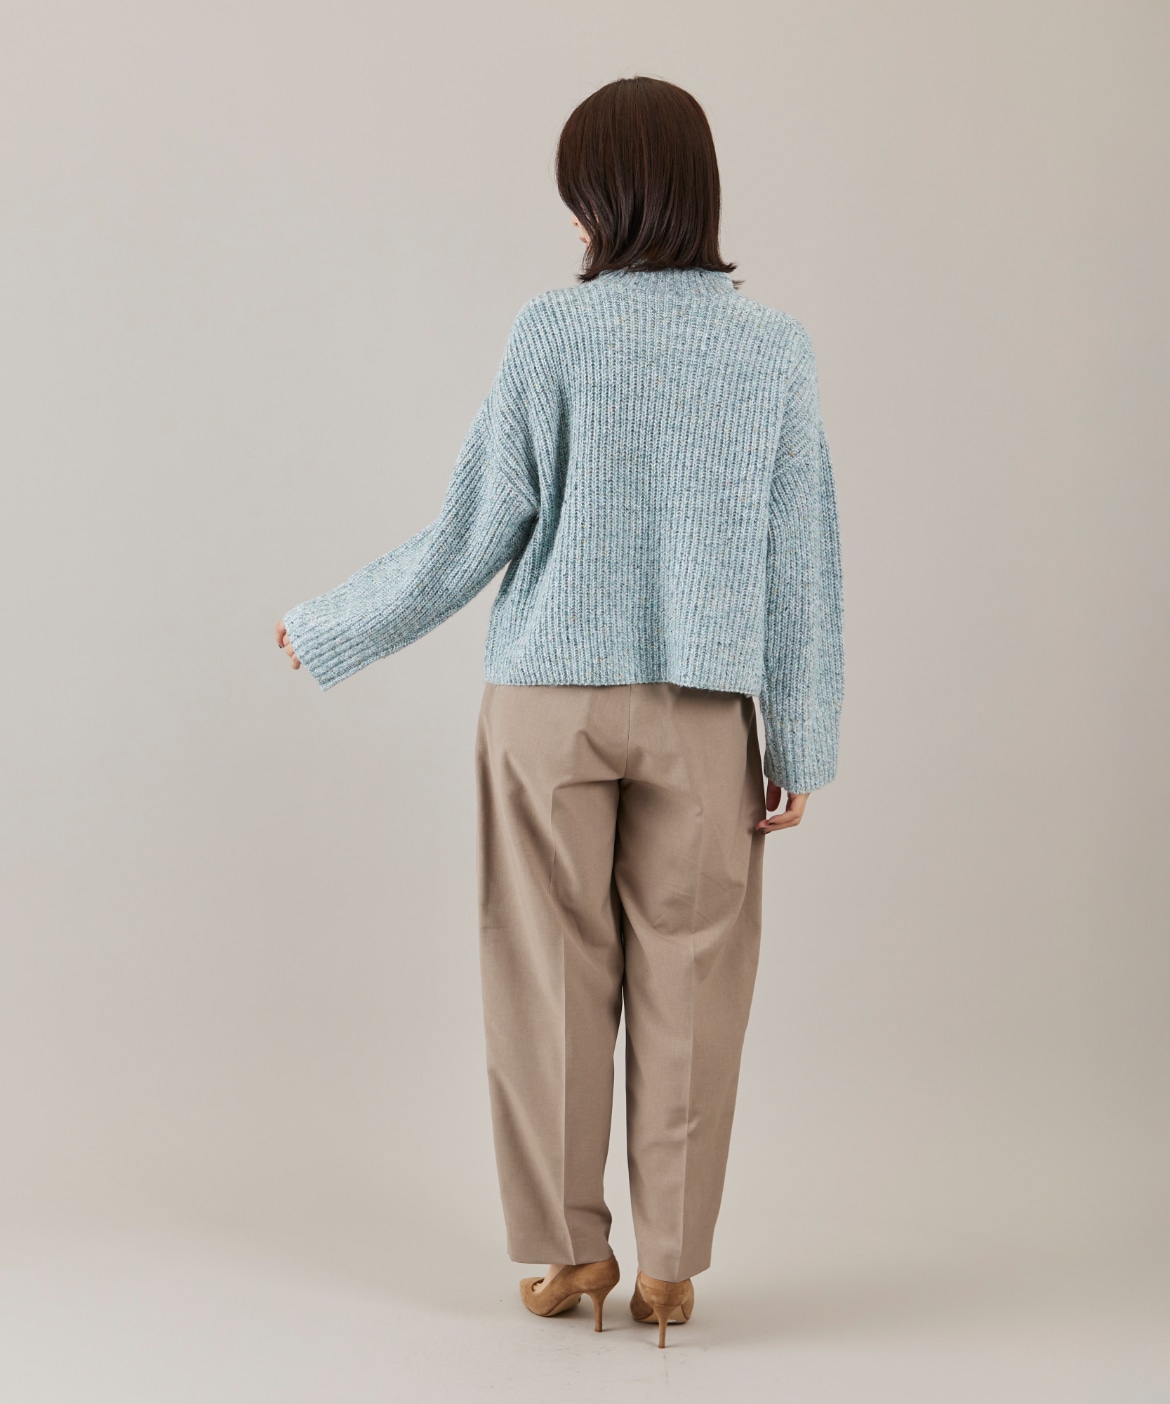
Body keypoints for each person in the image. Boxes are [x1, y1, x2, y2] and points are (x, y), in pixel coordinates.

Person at [276, 75, 844, 1348]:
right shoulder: (774, 347)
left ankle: (571, 1254)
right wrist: (801, 736)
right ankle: (670, 1272)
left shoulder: (554, 331)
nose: (573, 217)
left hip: (548, 705)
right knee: (694, 980)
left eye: (578, 193)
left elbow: (476, 529)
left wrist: (331, 625)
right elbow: (800, 559)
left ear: (606, 197)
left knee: (547, 978)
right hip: (705, 711)